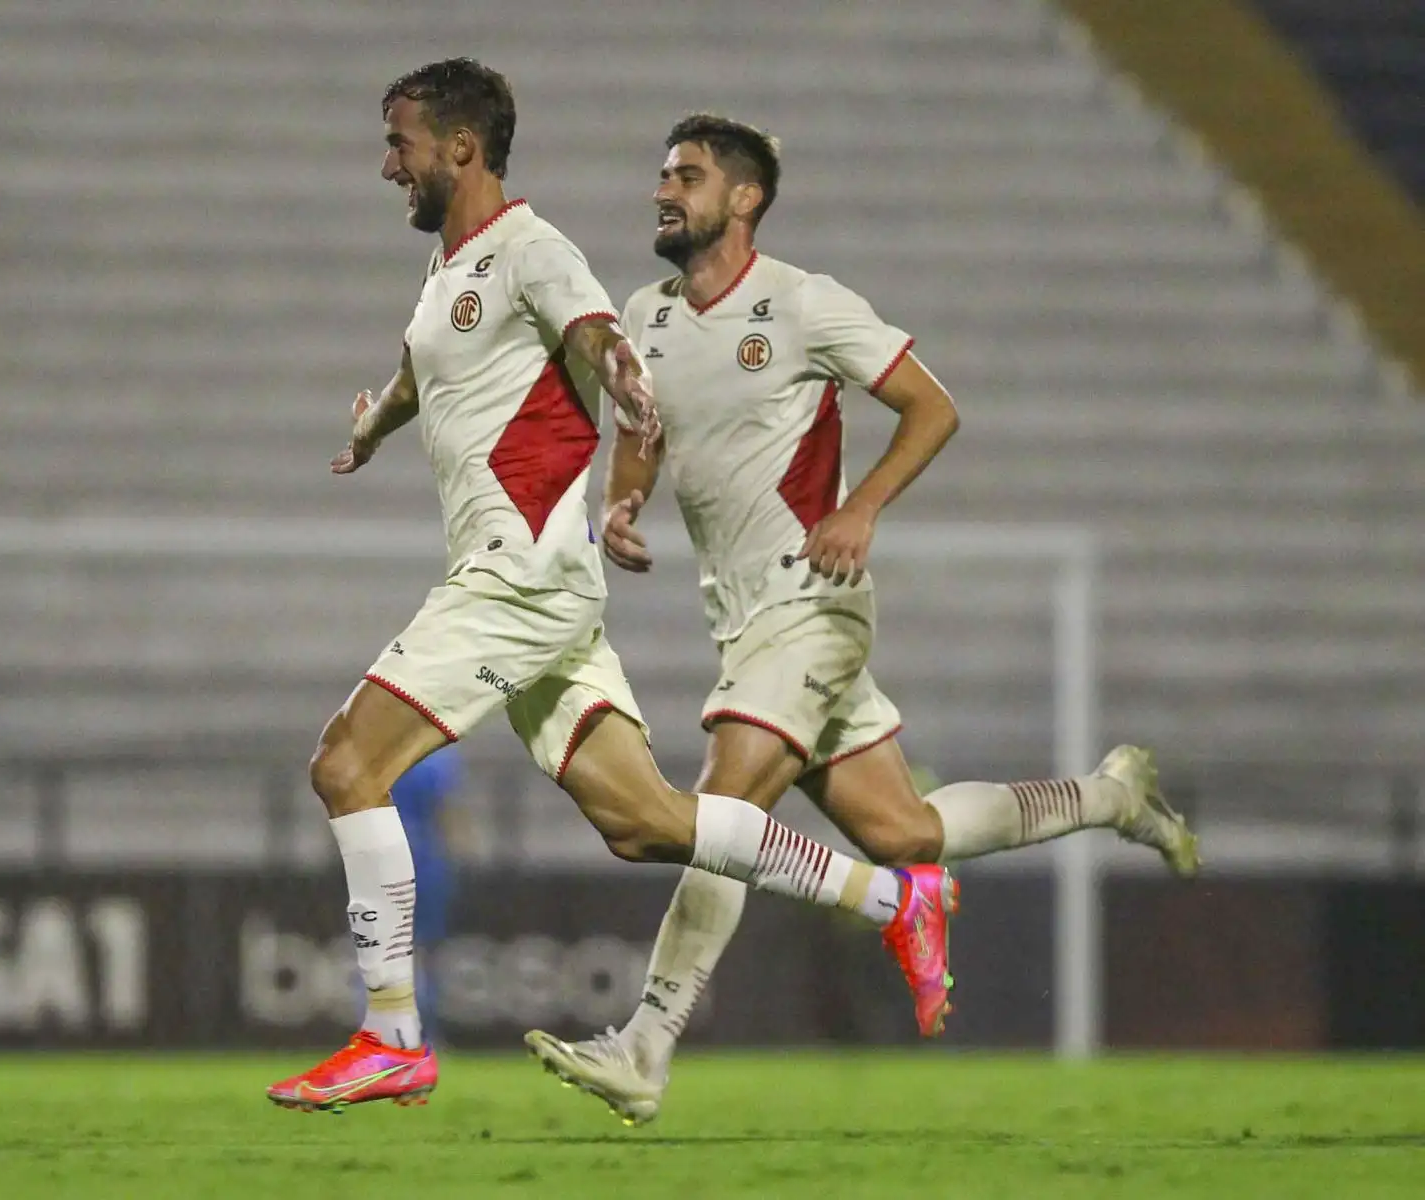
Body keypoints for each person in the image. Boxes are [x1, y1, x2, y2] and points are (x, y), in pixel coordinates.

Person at [266, 63, 960, 1114]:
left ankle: (392, 1033)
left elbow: (595, 331)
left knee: (346, 765)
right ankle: (889, 897)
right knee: (646, 822)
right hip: (543, 588)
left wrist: (626, 378)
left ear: (461, 147)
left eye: (400, 143)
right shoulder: (449, 272)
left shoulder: (532, 250)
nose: (388, 164)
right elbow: (420, 370)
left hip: (517, 577)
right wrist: (375, 424)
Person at [524, 114, 1201, 1125]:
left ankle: (645, 1049)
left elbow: (933, 406)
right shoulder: (646, 316)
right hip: (743, 617)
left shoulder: (804, 304)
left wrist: (862, 507)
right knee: (905, 829)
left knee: (724, 813)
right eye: (663, 175)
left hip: (812, 603)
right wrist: (625, 499)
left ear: (744, 198)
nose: (664, 191)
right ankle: (1110, 797)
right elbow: (641, 426)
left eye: (688, 176)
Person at [387, 745, 464, 1040]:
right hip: (428, 864)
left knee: (384, 950)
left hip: (385, 863)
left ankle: (388, 1032)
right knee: (428, 953)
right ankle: (425, 1031)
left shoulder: (379, 751)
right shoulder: (438, 759)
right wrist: (458, 858)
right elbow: (447, 814)